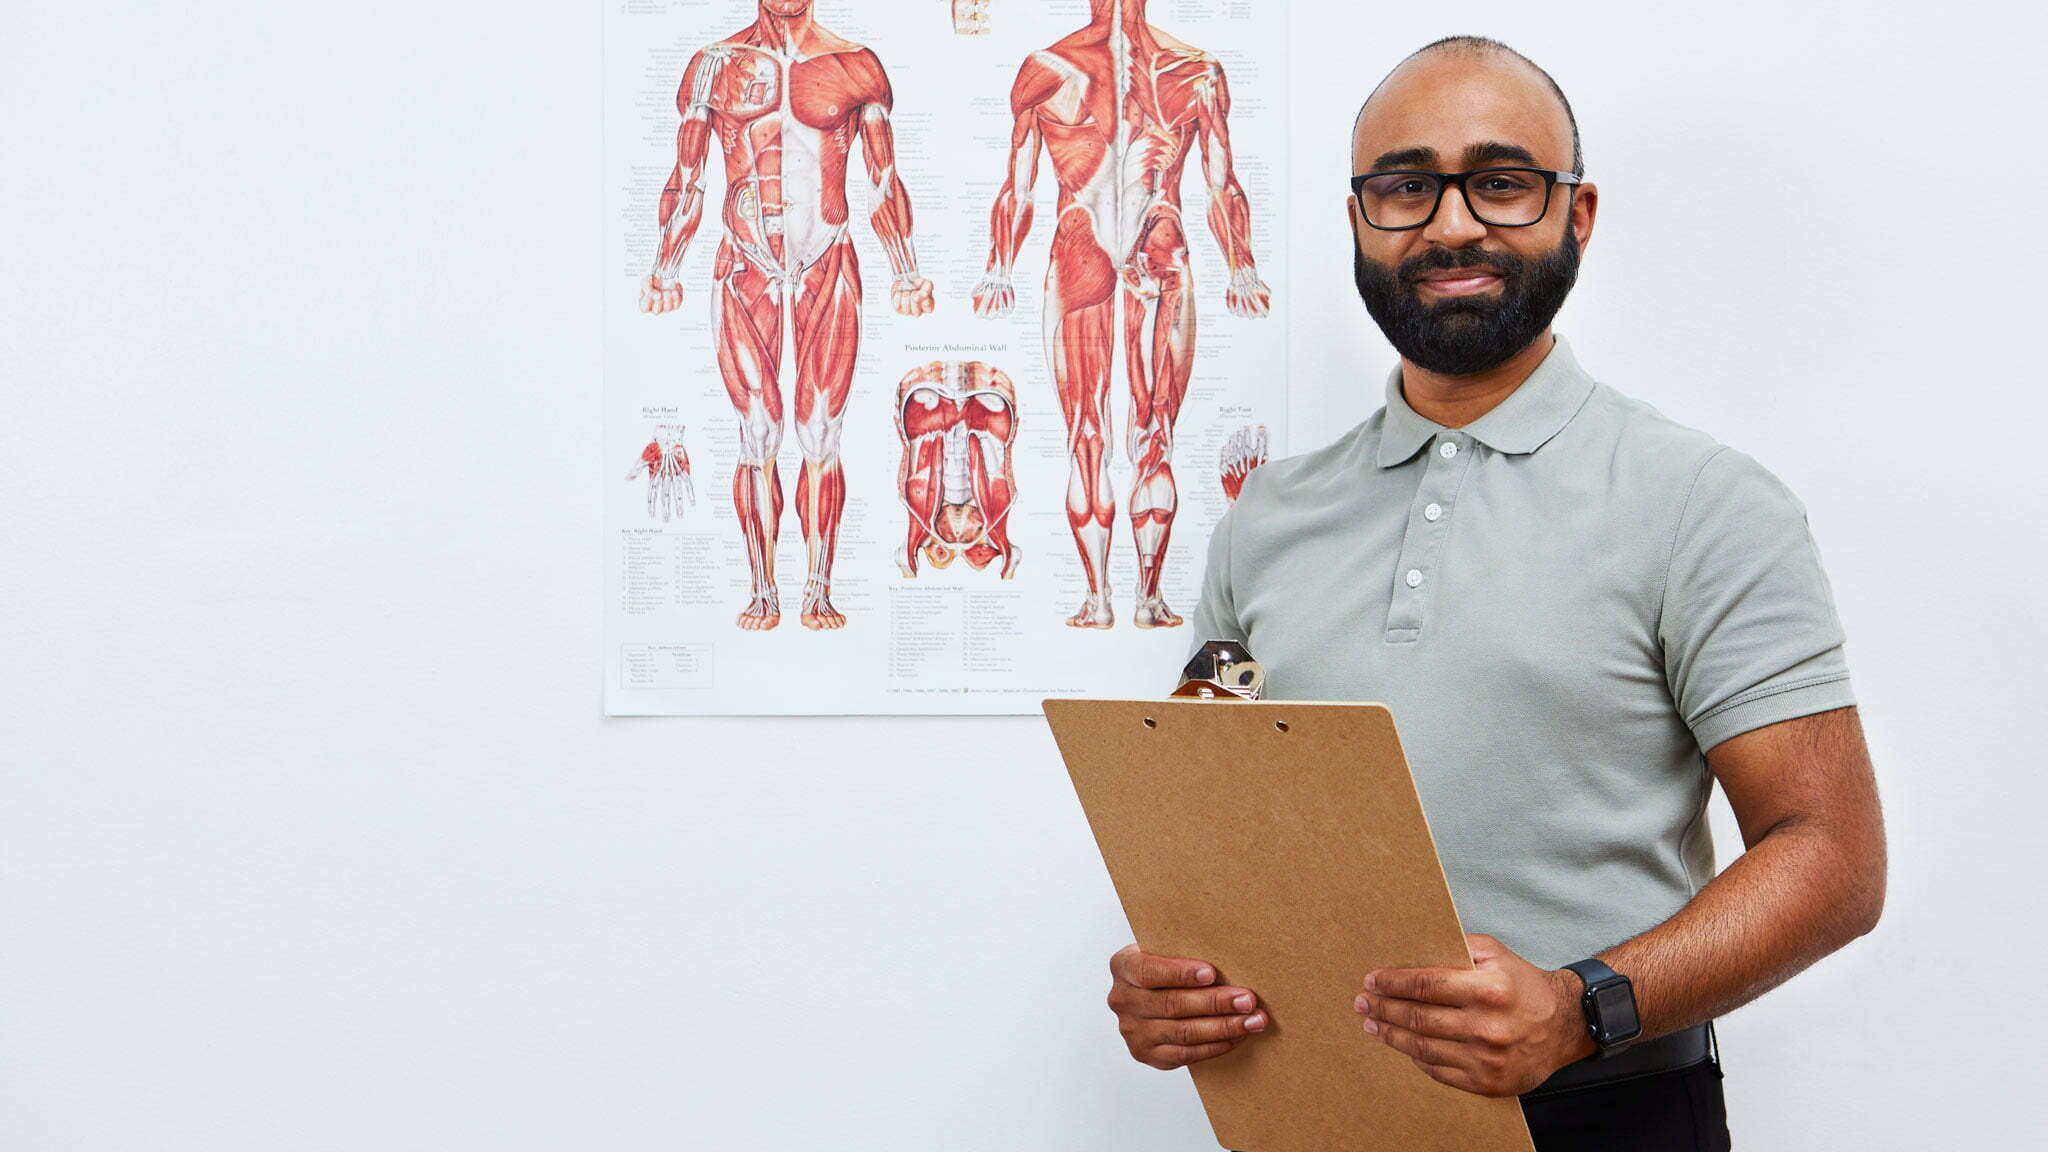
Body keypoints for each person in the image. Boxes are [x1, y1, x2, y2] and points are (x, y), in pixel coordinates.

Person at [1102, 36, 1886, 1151]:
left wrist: (1582, 1008)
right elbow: (1209, 827)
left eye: (1502, 182)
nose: (1451, 224)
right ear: (1357, 218)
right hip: (1310, 1112)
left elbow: (1832, 859)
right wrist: (1168, 976)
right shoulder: (1266, 519)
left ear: (1578, 213)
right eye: (1406, 185)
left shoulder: (1702, 501)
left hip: (1609, 1113)